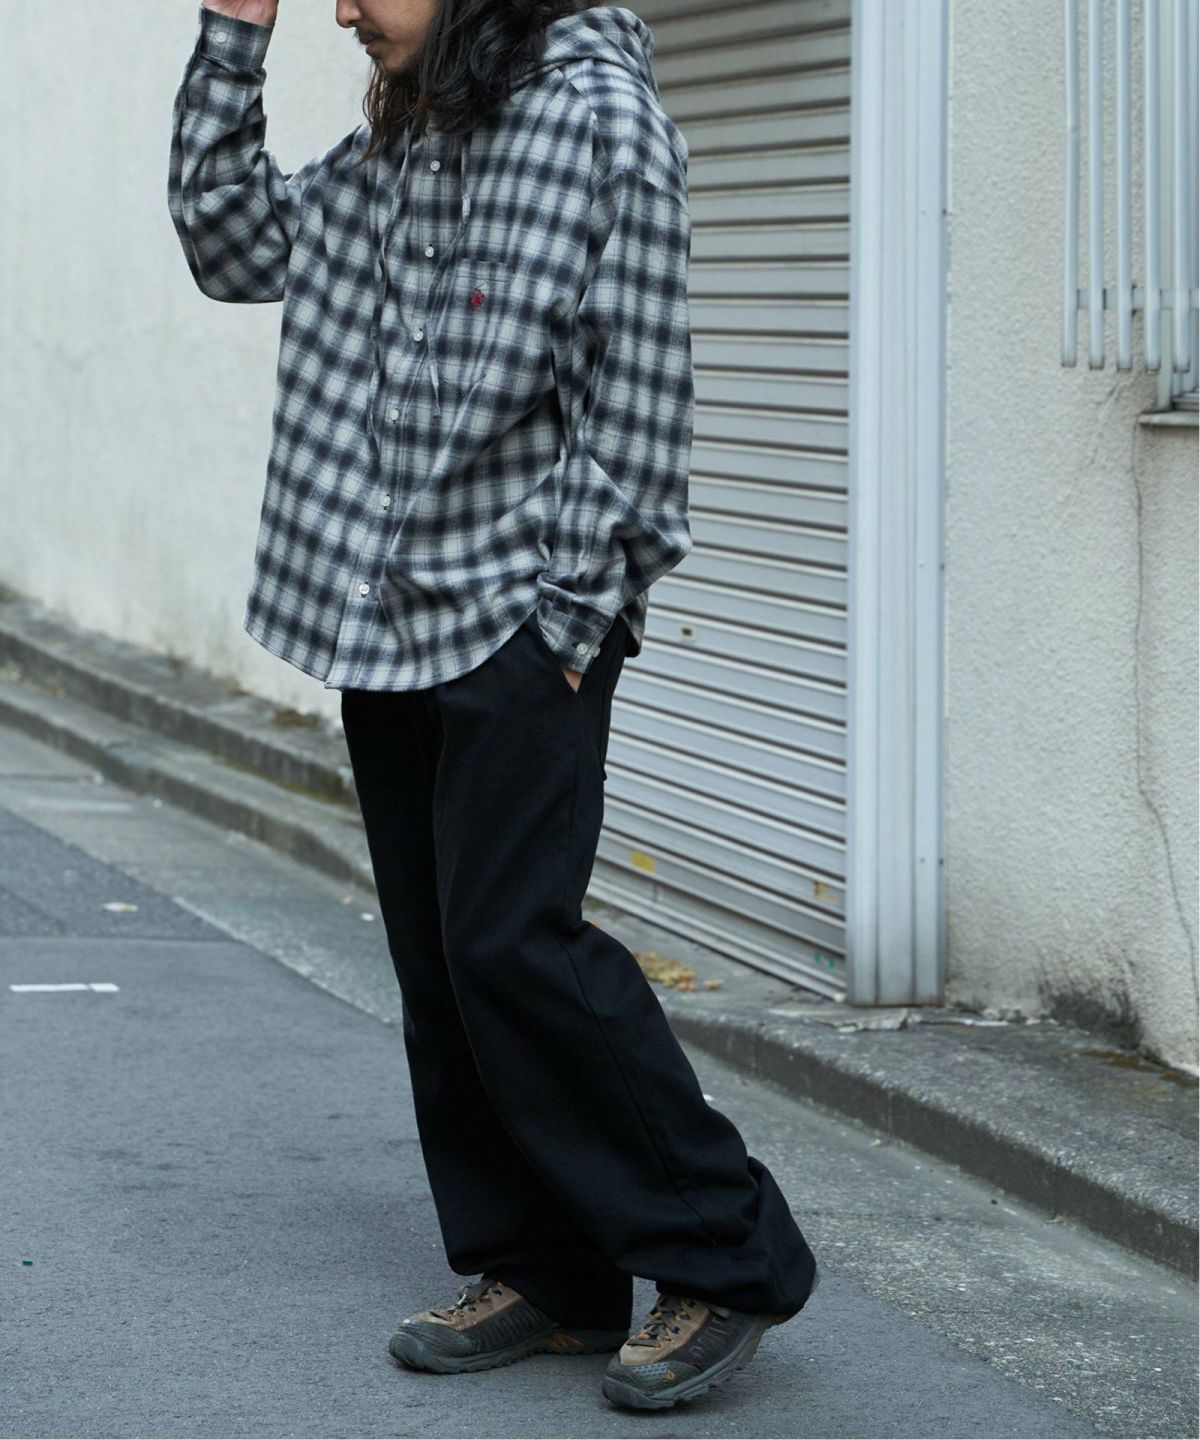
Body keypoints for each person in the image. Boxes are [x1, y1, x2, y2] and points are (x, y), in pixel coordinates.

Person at [169, 0, 820, 1412]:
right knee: (441, 963)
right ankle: (548, 1270)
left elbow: (638, 402)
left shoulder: (597, 123)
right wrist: (231, 31)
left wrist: (570, 621)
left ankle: (728, 1253)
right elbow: (231, 244)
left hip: (523, 616)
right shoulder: (402, 138)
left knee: (514, 943)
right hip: (385, 614)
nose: (345, 8)